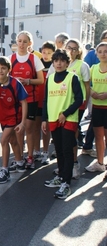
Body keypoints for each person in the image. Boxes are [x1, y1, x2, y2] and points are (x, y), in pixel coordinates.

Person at [42, 49, 83, 199]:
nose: (59, 63)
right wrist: (44, 119)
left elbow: (79, 99)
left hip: (68, 119)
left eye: (62, 61)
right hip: (53, 119)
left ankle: (66, 183)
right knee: (58, 150)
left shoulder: (73, 78)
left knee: (67, 150)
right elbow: (46, 100)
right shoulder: (50, 79)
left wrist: (65, 113)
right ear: (53, 63)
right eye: (56, 61)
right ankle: (60, 176)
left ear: (67, 63)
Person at [9, 31, 44, 169]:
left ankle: (30, 157)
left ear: (30, 43)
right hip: (16, 100)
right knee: (18, 129)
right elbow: (4, 78)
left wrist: (28, 81)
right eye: (19, 41)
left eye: (25, 41)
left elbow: (41, 80)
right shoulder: (11, 58)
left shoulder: (34, 59)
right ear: (16, 42)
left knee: (29, 128)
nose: (21, 44)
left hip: (31, 99)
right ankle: (20, 157)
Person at [85, 42, 107, 173]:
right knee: (98, 137)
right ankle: (100, 163)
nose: (103, 54)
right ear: (96, 54)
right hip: (97, 107)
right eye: (101, 51)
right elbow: (88, 85)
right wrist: (92, 92)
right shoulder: (93, 68)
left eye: (106, 51)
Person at [33, 41, 55, 165]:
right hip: (37, 98)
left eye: (49, 53)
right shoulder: (37, 63)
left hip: (49, 100)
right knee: (36, 127)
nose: (46, 55)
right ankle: (37, 151)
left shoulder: (55, 65)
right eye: (44, 52)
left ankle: (45, 151)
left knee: (46, 128)